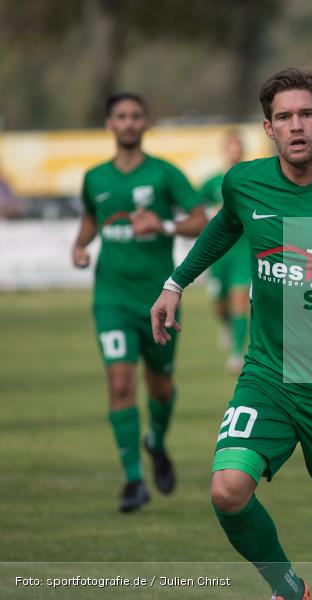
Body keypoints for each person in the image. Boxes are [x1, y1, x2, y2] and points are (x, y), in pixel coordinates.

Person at [149, 68, 312, 600]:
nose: (296, 125)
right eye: (284, 116)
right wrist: (175, 283)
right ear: (268, 127)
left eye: (307, 113)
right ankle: (289, 590)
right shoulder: (244, 182)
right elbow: (224, 226)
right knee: (228, 490)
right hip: (267, 375)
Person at [70, 92, 207, 512]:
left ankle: (157, 443)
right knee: (120, 382)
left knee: (160, 386)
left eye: (135, 116)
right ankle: (133, 480)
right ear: (109, 124)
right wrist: (79, 246)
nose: (128, 123)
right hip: (110, 298)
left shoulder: (165, 174)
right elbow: (93, 217)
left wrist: (163, 224)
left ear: (145, 123)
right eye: (120, 117)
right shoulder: (95, 177)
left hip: (159, 299)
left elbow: (201, 219)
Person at [200, 130, 252, 373]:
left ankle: (236, 354)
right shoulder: (212, 182)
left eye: (237, 147)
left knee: (240, 298)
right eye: (230, 147)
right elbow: (195, 208)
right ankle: (227, 325)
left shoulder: (252, 179)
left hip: (243, 250)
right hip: (219, 253)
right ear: (225, 150)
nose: (234, 151)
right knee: (218, 303)